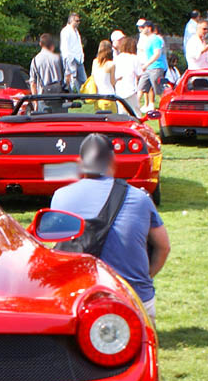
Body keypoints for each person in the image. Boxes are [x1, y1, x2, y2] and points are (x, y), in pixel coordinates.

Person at [50, 134, 169, 322]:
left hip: (82, 299)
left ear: (80, 163)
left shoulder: (60, 197)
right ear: (113, 160)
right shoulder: (140, 198)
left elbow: (57, 246)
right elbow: (163, 247)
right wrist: (143, 279)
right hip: (134, 300)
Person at [136, 19, 166, 113]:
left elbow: (157, 54)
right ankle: (134, 108)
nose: (141, 29)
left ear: (149, 28)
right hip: (148, 68)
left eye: (143, 27)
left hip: (156, 68)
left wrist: (147, 64)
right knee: (141, 87)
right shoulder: (148, 40)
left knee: (158, 90)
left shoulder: (156, 39)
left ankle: (167, 106)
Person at [113, 36, 141, 114]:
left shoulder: (117, 58)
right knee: (135, 111)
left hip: (119, 88)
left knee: (122, 111)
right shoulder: (135, 58)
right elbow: (139, 73)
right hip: (131, 88)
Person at [60, 12, 86, 92]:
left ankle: (84, 97)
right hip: (71, 59)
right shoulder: (66, 31)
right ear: (71, 21)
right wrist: (68, 60)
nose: (78, 23)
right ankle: (70, 96)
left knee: (83, 80)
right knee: (71, 80)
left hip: (79, 58)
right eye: (77, 21)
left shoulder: (76, 31)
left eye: (79, 21)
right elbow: (64, 47)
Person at [90, 39, 116, 111]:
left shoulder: (95, 62)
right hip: (109, 96)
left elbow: (93, 77)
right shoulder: (111, 64)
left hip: (98, 97)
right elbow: (112, 82)